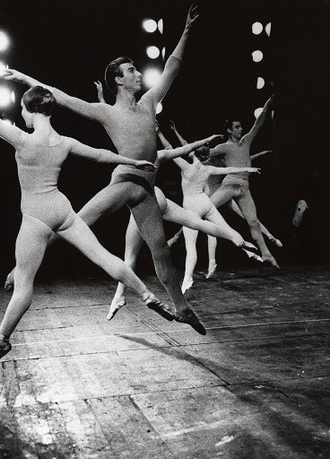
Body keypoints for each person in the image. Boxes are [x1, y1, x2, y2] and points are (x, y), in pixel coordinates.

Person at [0, 60, 177, 373]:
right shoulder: (64, 143)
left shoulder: (21, 139)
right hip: (62, 209)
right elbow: (100, 155)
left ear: (28, 109)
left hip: (35, 217)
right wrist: (134, 161)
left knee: (23, 286)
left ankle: (0, 339)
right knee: (104, 257)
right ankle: (145, 294)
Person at [0, 5, 208, 334]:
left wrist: (186, 31)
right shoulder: (106, 112)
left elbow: (173, 66)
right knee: (79, 221)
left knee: (161, 251)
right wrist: (26, 79)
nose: (139, 74)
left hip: (146, 191)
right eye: (132, 71)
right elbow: (62, 97)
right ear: (118, 80)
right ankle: (19, 269)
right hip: (126, 181)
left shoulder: (150, 102)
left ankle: (182, 308)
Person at [107, 126, 261, 317]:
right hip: (163, 198)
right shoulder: (166, 157)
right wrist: (209, 138)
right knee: (199, 225)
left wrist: (160, 132)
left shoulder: (133, 160)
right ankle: (236, 240)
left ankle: (121, 295)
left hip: (145, 203)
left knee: (132, 256)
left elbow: (180, 148)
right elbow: (185, 149)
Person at [167, 119, 282, 279]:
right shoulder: (205, 163)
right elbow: (189, 147)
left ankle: (268, 237)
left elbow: (240, 162)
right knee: (210, 227)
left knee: (246, 219)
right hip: (212, 195)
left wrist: (258, 157)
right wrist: (175, 131)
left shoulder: (218, 161)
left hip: (222, 193)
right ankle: (210, 260)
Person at [207, 96, 280, 269]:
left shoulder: (246, 141)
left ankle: (266, 253)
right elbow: (206, 153)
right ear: (229, 130)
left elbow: (258, 123)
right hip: (230, 185)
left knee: (253, 222)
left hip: (244, 187)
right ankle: (182, 234)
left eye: (240, 127)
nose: (241, 129)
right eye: (237, 127)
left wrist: (267, 105)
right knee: (205, 209)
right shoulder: (224, 147)